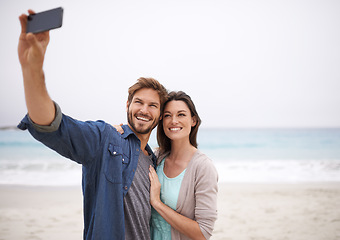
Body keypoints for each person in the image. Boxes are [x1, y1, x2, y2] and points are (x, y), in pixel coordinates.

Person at [17, 10, 168, 240]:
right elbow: (53, 125)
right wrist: (32, 70)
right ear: (127, 104)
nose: (144, 110)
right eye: (138, 102)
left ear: (159, 114)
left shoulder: (154, 161)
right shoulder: (105, 139)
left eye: (152, 105)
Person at [115, 91, 218, 239]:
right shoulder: (155, 158)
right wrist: (118, 132)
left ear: (193, 120)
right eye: (168, 115)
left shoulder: (203, 167)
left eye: (181, 114)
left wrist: (157, 203)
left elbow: (203, 232)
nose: (173, 121)